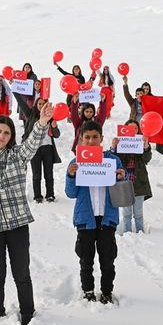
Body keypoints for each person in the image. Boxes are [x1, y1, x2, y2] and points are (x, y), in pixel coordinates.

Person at [0, 102, 54, 325]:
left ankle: (28, 313)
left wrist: (42, 122)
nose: (2, 135)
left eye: (7, 133)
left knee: (21, 273)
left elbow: (32, 142)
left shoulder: (17, 155)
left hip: (17, 225)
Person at [65, 120, 126, 304]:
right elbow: (71, 193)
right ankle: (88, 290)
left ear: (102, 138)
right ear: (81, 139)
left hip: (107, 218)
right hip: (85, 219)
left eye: (95, 137)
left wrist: (122, 178)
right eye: (87, 137)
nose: (91, 141)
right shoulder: (75, 162)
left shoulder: (112, 161)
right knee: (86, 258)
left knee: (107, 259)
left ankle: (107, 291)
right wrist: (71, 175)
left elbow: (121, 192)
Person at [110, 120, 152, 234]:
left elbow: (147, 159)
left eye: (135, 129)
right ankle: (127, 232)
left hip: (139, 184)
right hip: (125, 184)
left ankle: (140, 232)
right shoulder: (120, 143)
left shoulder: (142, 142)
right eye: (130, 129)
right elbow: (113, 160)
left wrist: (146, 146)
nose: (133, 131)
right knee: (126, 212)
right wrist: (113, 147)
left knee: (138, 213)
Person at [25, 96, 61, 203]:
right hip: (35, 149)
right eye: (39, 104)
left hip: (48, 148)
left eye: (43, 104)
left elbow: (57, 135)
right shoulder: (31, 116)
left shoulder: (51, 117)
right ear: (36, 105)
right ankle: (37, 196)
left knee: (48, 174)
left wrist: (54, 127)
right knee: (36, 175)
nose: (41, 106)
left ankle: (50, 195)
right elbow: (28, 133)